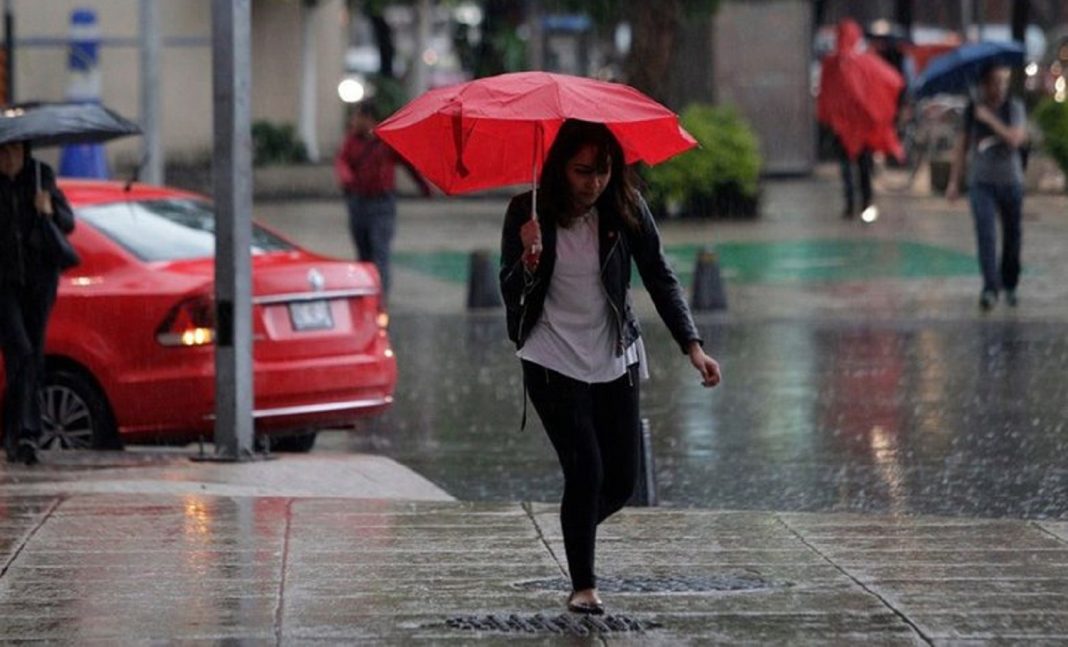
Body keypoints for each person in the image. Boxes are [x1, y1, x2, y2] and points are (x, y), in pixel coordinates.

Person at [499, 120, 721, 615]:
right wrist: (527, 260)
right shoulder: (525, 212)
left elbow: (659, 275)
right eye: (582, 171)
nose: (593, 183)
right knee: (586, 468)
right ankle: (584, 586)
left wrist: (692, 345)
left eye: (602, 171)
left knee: (621, 480)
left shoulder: (626, 207)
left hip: (614, 353)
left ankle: (573, 528)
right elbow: (509, 294)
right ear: (560, 168)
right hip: (551, 357)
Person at [0, 141, 76, 465]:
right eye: (3, 151)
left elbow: (68, 223)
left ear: (25, 151)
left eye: (14, 151)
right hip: (4, 283)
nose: (8, 158)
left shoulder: (41, 176)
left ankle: (20, 434)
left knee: (32, 355)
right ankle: (23, 431)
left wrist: (48, 210)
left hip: (39, 279)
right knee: (20, 350)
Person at [947, 64, 1028, 311]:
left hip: (1011, 181)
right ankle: (990, 287)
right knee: (986, 234)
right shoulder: (972, 109)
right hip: (981, 182)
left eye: (1004, 82)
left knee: (1012, 237)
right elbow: (961, 146)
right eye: (995, 82)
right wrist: (954, 181)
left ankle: (1010, 284)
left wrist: (990, 119)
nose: (1000, 87)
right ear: (984, 85)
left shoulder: (1013, 107)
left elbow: (1015, 139)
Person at [335, 100, 431, 303]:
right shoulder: (351, 141)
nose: (354, 121)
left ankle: (380, 300)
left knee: (380, 252)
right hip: (358, 202)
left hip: (382, 204)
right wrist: (347, 179)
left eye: (358, 116)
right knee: (363, 253)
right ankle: (366, 297)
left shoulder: (386, 140)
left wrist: (423, 186)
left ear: (369, 118)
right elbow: (342, 162)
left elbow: (407, 162)